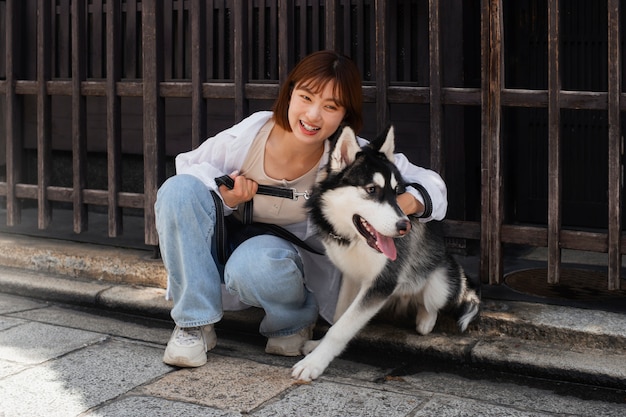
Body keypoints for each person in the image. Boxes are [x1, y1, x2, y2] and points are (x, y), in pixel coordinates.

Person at [155, 50, 448, 368]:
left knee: (257, 263)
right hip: (225, 243)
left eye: (330, 106)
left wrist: (404, 202)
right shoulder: (248, 137)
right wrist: (228, 198)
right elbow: (189, 173)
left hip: (278, 260)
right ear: (289, 93)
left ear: (344, 116)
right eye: (305, 97)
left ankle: (292, 321)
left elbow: (432, 184)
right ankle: (193, 326)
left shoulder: (352, 157)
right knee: (177, 190)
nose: (313, 115)